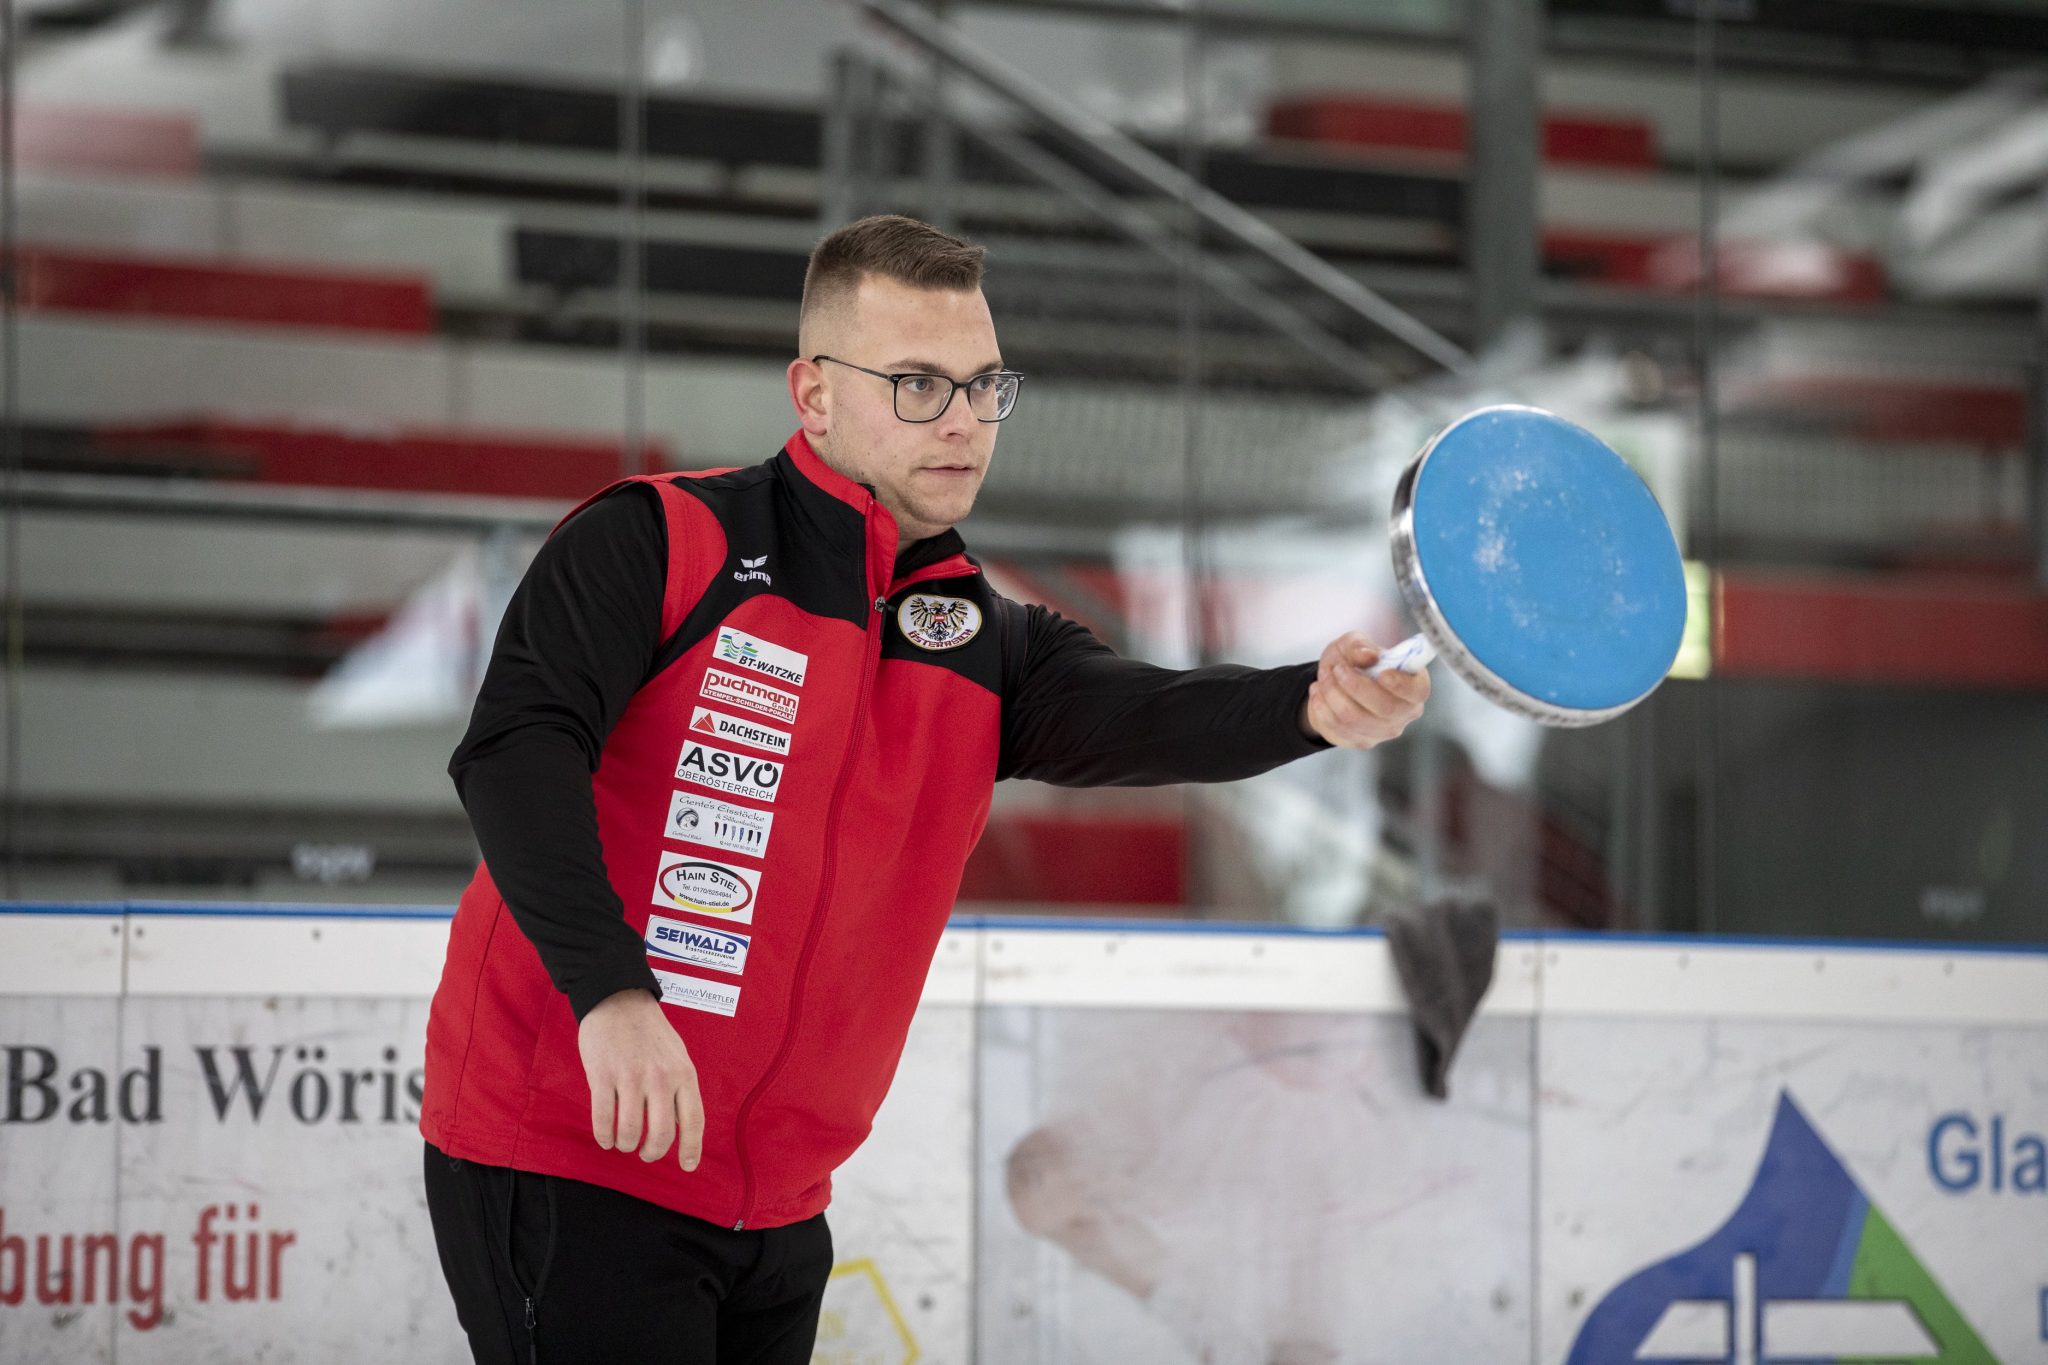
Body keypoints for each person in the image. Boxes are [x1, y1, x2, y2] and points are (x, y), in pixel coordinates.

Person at [418, 213, 1429, 1364]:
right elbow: (511, 751)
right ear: (813, 395)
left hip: (777, 1205)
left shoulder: (983, 642)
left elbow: (1146, 712)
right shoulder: (657, 544)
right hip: (568, 1151)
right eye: (914, 385)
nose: (959, 422)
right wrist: (611, 995)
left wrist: (1309, 702)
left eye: (982, 386)